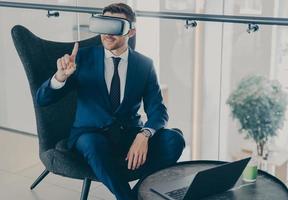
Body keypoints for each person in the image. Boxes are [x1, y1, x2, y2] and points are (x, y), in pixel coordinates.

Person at [36, 3, 185, 200]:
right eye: (104, 25)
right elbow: (43, 100)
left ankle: (136, 190)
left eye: (116, 27)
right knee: (93, 144)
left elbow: (158, 111)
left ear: (131, 31)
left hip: (129, 135)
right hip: (90, 136)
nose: (108, 33)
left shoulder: (144, 65)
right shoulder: (81, 58)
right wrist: (60, 77)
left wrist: (144, 135)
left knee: (174, 139)